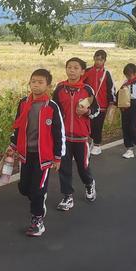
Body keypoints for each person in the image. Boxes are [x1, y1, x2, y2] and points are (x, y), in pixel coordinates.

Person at [7, 69, 65, 236]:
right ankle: (39, 199)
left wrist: (58, 157)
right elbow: (18, 125)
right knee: (25, 188)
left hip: (44, 156)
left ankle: (37, 220)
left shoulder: (52, 107)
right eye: (33, 81)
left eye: (40, 82)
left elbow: (58, 132)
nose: (36, 85)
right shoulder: (24, 103)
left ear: (48, 85)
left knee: (37, 189)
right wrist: (13, 145)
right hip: (26, 154)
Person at [53, 58, 98, 211]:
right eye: (69, 67)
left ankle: (89, 184)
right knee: (64, 167)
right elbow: (53, 111)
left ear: (82, 71)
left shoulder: (87, 90)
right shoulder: (60, 88)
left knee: (83, 167)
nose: (72, 70)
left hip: (82, 137)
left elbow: (96, 111)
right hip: (64, 138)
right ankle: (67, 196)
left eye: (76, 68)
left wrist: (87, 111)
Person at [84, 50, 115, 156]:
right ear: (94, 58)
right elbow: (81, 85)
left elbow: (111, 88)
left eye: (101, 60)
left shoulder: (107, 73)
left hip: (102, 105)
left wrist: (111, 103)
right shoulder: (87, 71)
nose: (99, 62)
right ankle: (90, 141)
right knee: (88, 124)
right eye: (97, 59)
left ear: (105, 61)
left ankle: (97, 145)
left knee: (98, 125)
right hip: (88, 103)